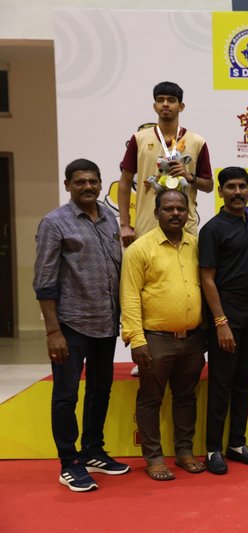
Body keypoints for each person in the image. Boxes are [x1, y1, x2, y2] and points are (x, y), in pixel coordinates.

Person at [33, 159, 130, 492]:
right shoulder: (54, 223)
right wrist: (53, 331)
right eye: (80, 182)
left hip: (106, 322)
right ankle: (69, 462)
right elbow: (44, 281)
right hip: (70, 325)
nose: (87, 187)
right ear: (67, 186)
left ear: (101, 183)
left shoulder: (109, 220)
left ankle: (92, 450)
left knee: (100, 390)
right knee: (65, 395)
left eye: (93, 181)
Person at [121, 189, 207, 481]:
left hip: (193, 339)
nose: (175, 213)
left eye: (181, 209)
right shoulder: (139, 249)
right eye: (168, 208)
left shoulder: (197, 246)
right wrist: (137, 340)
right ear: (156, 213)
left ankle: (184, 453)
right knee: (150, 398)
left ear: (188, 213)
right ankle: (154, 458)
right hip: (155, 339)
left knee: (186, 397)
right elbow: (130, 297)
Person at [199, 167, 248, 475]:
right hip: (227, 311)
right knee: (222, 381)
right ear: (221, 191)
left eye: (242, 186)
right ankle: (213, 448)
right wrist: (220, 321)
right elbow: (207, 278)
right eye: (231, 187)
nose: (237, 192)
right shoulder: (213, 229)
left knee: (244, 380)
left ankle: (237, 444)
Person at [118, 81, 213, 245]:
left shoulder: (197, 142)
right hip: (147, 226)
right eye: (160, 100)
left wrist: (188, 176)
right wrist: (125, 224)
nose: (165, 104)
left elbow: (209, 186)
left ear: (181, 106)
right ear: (155, 106)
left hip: (185, 228)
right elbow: (125, 182)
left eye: (171, 100)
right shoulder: (139, 139)